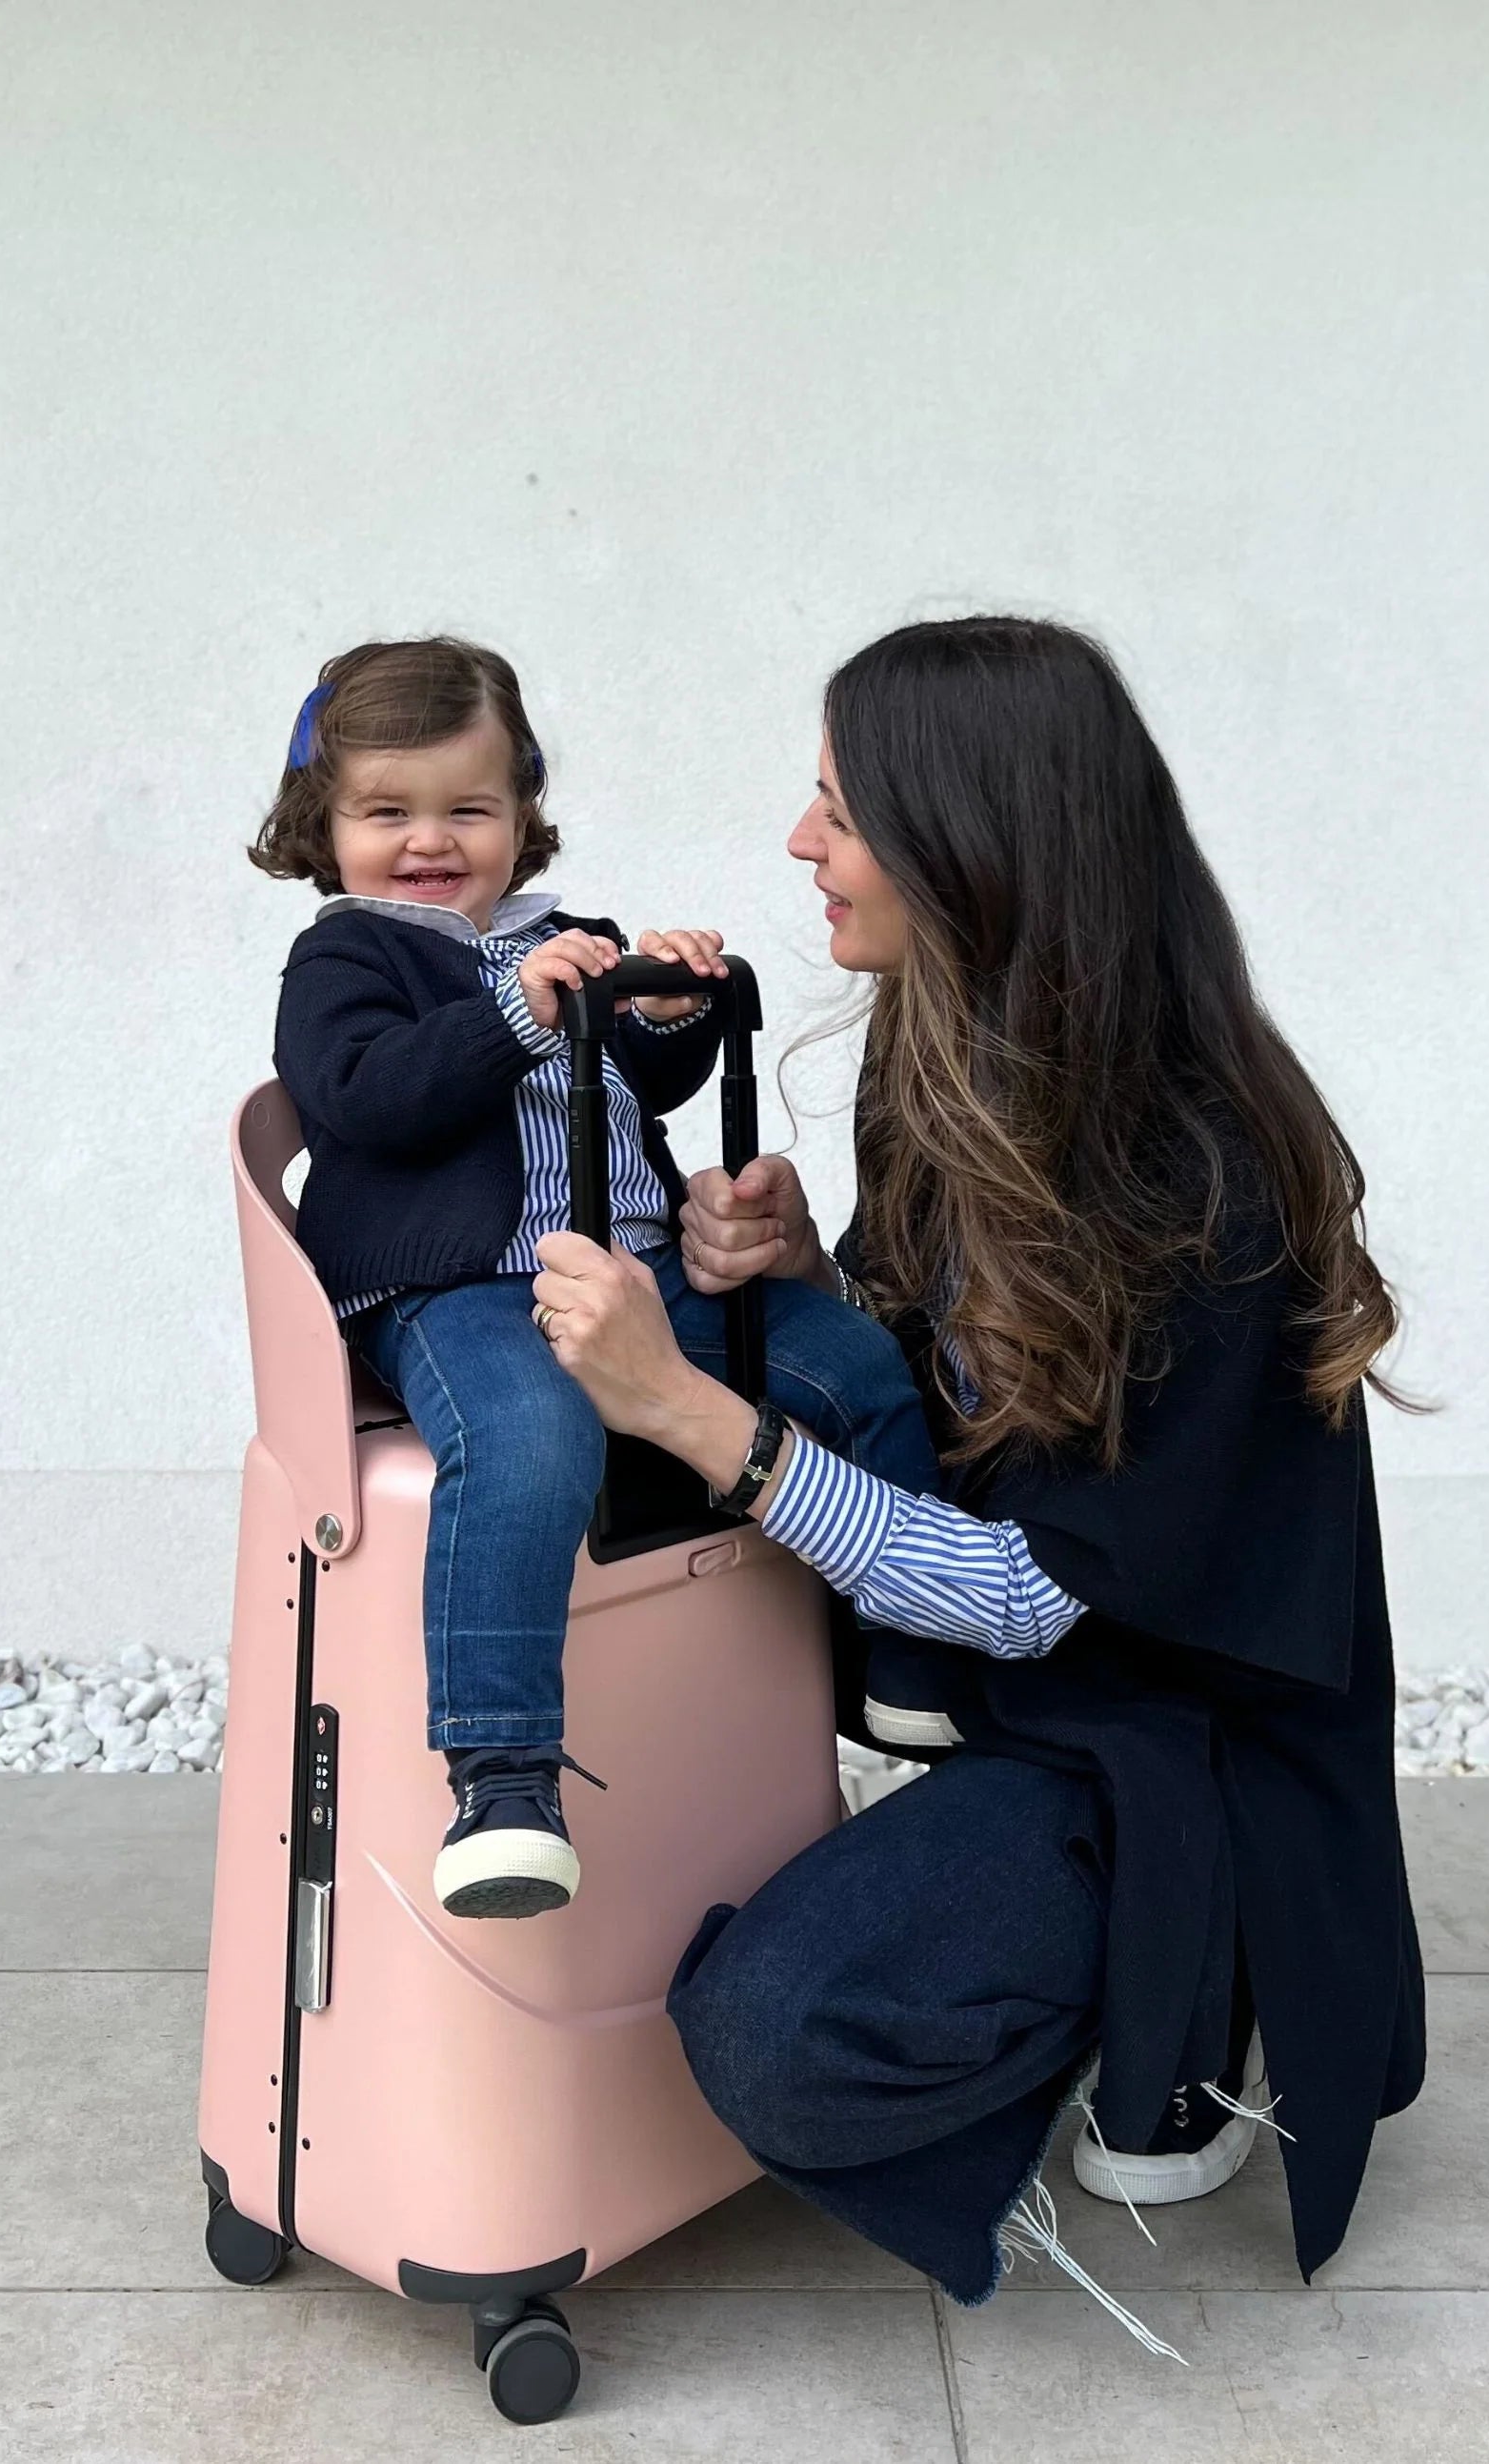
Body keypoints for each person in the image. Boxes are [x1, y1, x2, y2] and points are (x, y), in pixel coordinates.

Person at [526, 615, 1425, 2345]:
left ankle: (1197, 1983)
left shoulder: (1200, 1180)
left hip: (1187, 1756)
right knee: (725, 1988)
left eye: (840, 809)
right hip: (1054, 1712)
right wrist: (808, 1276)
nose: (803, 845)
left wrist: (706, 1420)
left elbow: (1023, 1588)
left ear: (975, 840)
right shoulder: (951, 1063)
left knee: (775, 2041)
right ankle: (1060, 1941)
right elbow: (962, 1391)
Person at [252, 636, 941, 1921]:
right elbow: (367, 1100)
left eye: (468, 807)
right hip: (460, 1288)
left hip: (634, 1273)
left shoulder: (565, 935)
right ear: (323, 823)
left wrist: (659, 1016)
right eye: (386, 812)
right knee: (528, 1438)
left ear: (522, 811)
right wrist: (518, 1011)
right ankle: (503, 1775)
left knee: (849, 1363)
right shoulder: (349, 960)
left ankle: (904, 1656)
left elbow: (623, 1082)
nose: (429, 841)